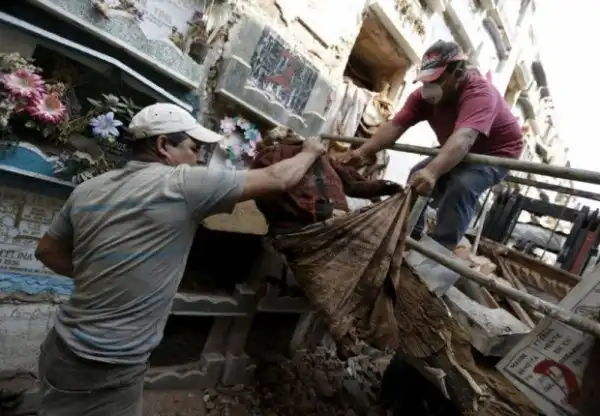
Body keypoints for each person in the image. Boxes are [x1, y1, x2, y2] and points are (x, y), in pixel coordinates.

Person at [33, 103, 325, 416]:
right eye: (193, 148)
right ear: (163, 145)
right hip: (109, 363)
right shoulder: (181, 184)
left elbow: (46, 251)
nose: (198, 158)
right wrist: (310, 151)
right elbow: (278, 178)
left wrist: (101, 276)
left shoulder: (88, 189)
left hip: (60, 347)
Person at [335, 40, 523, 249]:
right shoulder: (423, 98)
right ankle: (408, 234)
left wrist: (433, 173)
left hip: (495, 153)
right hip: (458, 144)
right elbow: (395, 126)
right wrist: (361, 152)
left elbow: (465, 138)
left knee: (462, 186)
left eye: (437, 80)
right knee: (417, 175)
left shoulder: (479, 93)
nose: (428, 88)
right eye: (425, 81)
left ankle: (438, 250)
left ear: (459, 74)